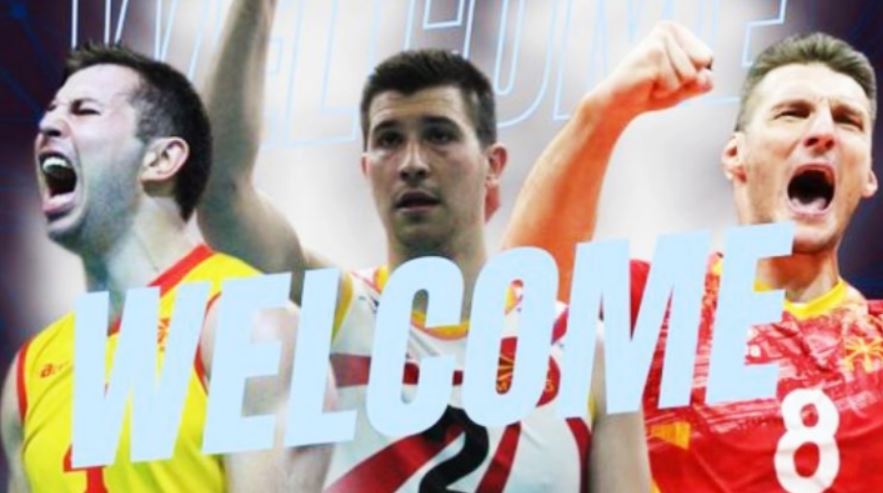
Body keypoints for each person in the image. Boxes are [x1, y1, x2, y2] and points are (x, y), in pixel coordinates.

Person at [197, 0, 650, 491]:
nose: (412, 162)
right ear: (367, 169)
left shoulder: (587, 349)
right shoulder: (330, 317)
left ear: (493, 165)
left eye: (439, 135)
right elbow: (221, 193)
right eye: (389, 140)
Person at [502, 21, 883, 491]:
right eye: (792, 113)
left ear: (868, 175)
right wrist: (602, 113)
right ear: (735, 156)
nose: (823, 132)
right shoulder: (656, 307)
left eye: (848, 121)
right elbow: (519, 302)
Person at [0, 44, 330, 492]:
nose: (47, 125)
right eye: (52, 109)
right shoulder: (29, 372)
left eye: (84, 110)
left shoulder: (252, 324)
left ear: (161, 159)